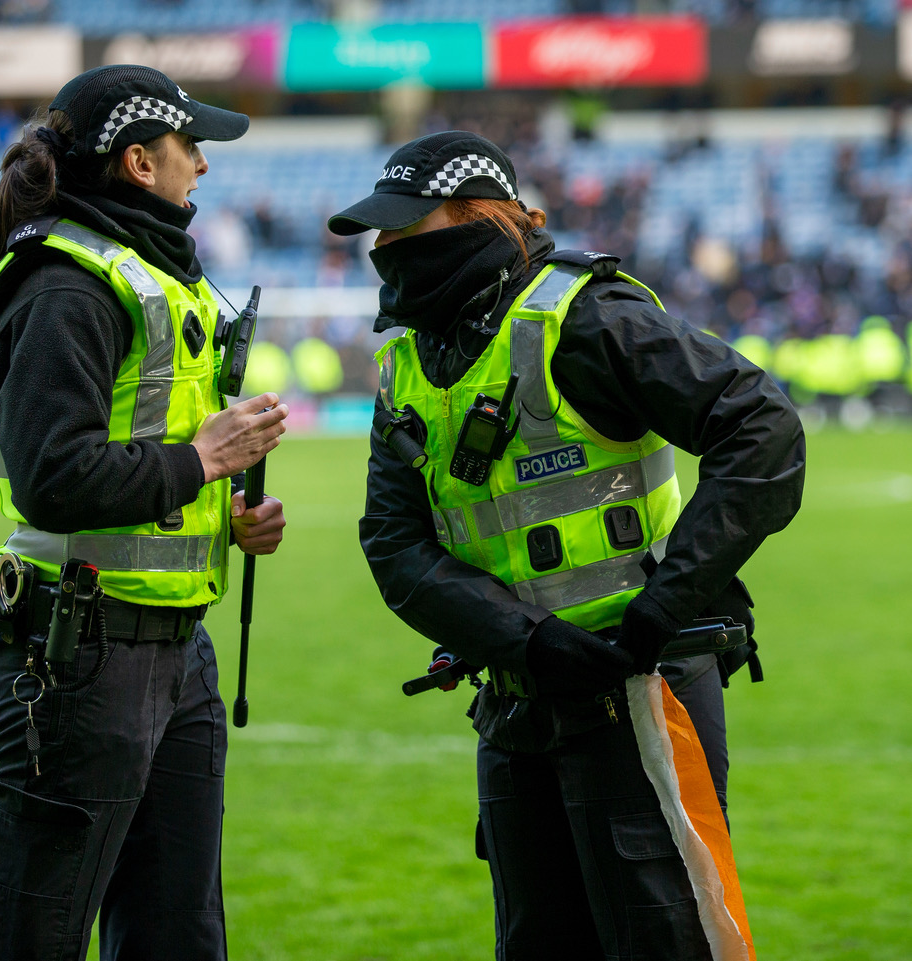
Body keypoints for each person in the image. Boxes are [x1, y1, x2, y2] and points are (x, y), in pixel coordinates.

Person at [328, 130, 805, 960]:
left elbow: (762, 428)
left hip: (641, 694)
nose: (386, 248)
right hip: (515, 701)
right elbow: (391, 539)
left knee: (666, 940)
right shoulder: (406, 359)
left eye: (406, 224)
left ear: (480, 217)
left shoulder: (585, 316)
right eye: (382, 230)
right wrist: (528, 642)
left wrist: (662, 608)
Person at [0, 65, 288, 961]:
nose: (203, 168)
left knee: (178, 932)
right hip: (81, 652)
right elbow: (54, 475)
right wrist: (203, 456)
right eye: (192, 147)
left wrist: (225, 510)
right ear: (141, 162)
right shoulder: (67, 284)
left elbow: (140, 458)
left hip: (171, 646)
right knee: (34, 934)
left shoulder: (142, 270)